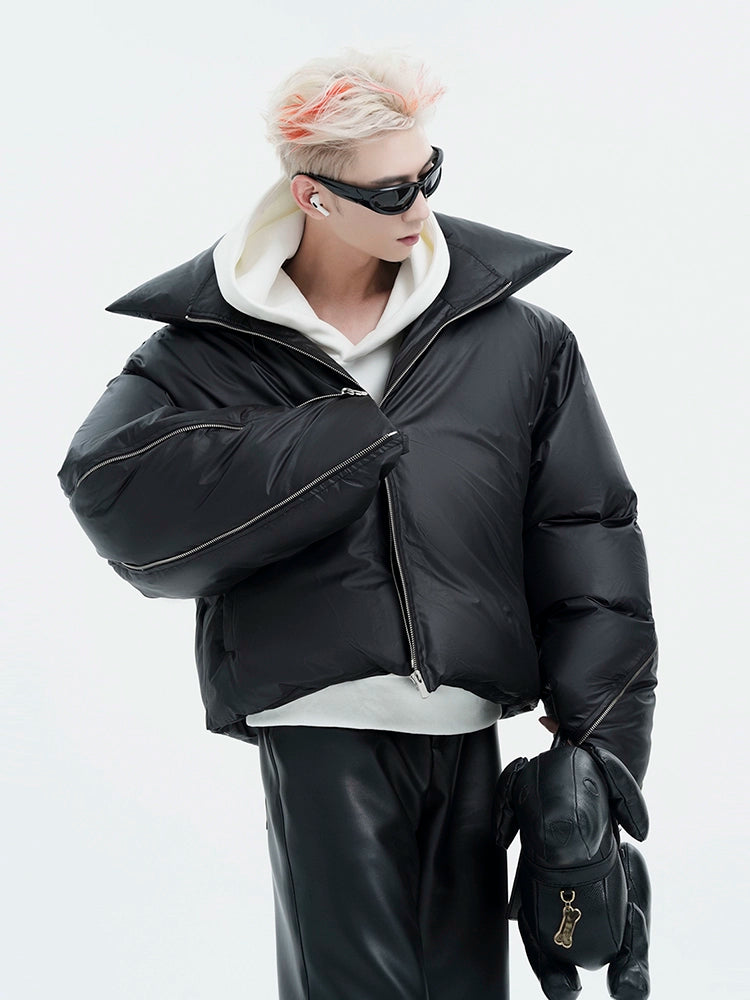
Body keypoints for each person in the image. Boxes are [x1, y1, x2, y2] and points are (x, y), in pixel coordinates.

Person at [57, 47, 658, 1000]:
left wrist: (599, 754)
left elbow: (586, 533)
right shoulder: (207, 351)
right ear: (313, 196)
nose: (419, 207)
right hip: (319, 724)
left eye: (429, 174)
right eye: (389, 192)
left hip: (467, 726)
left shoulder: (519, 340)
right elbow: (108, 486)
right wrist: (335, 445)